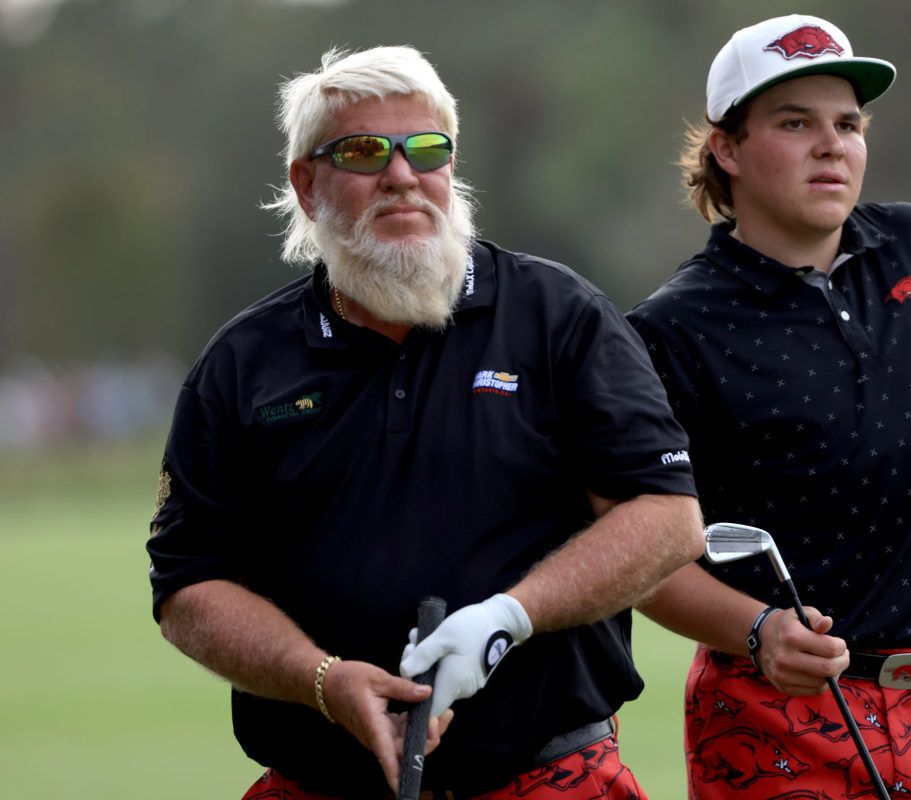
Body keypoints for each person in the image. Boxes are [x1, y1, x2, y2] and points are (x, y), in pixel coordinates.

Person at [146, 45, 703, 800]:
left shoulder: (557, 316)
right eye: (365, 151)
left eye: (426, 149)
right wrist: (323, 681)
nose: (401, 175)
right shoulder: (244, 362)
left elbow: (666, 518)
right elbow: (189, 582)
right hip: (317, 784)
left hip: (547, 778)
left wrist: (511, 615)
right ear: (307, 184)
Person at [627, 14, 911, 799]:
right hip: (777, 719)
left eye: (847, 124)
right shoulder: (671, 329)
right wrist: (753, 631)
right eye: (795, 123)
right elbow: (636, 549)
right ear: (726, 148)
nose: (832, 144)